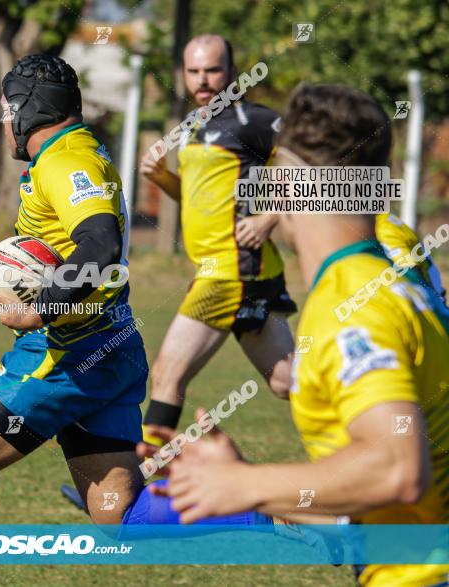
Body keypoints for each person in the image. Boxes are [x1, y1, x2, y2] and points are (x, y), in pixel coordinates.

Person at [0, 54, 306, 587]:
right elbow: (37, 250)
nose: (2, 123)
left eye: (5, 112)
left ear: (27, 110)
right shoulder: (66, 156)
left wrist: (40, 307)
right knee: (118, 514)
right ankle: (267, 513)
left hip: (65, 357)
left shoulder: (66, 163)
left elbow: (100, 243)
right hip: (109, 351)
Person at [148, 84, 449, 587]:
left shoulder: (354, 304)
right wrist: (253, 487)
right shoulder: (383, 280)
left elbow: (398, 471)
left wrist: (245, 483)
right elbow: (382, 501)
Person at [138, 34, 297, 444]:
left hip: (231, 270)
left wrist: (269, 217)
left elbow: (309, 167)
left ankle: (132, 493)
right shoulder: (193, 126)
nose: (202, 80)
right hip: (228, 271)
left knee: (168, 374)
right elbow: (195, 198)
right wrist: (162, 179)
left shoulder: (255, 121)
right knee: (288, 382)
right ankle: (376, 412)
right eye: (194, 71)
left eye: (212, 70)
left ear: (232, 72)